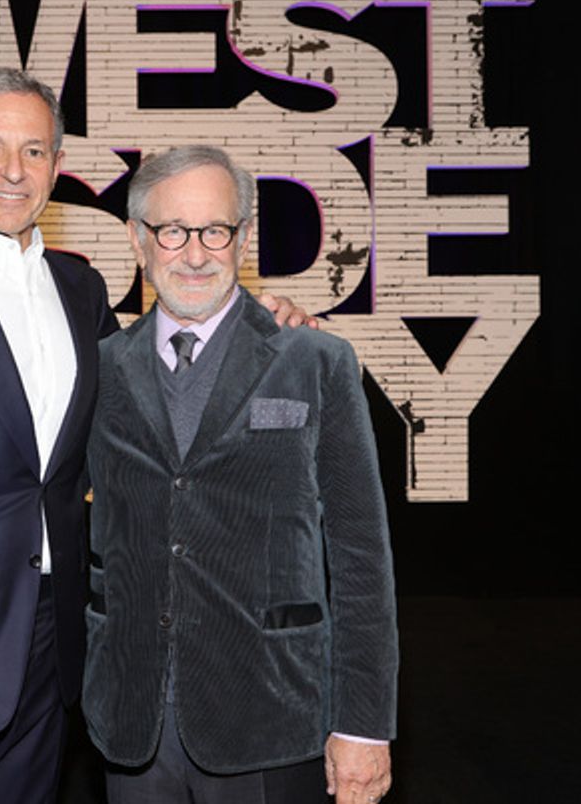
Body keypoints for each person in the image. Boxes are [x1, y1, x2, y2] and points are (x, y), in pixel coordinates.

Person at [0, 70, 309, 803]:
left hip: (54, 658)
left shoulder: (81, 288)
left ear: (55, 164)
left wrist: (260, 325)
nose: (14, 170)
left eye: (35, 150)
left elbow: (155, 390)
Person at [83, 146, 398, 804]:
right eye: (172, 230)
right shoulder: (102, 366)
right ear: (141, 241)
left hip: (271, 716)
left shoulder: (316, 359)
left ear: (243, 238)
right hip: (133, 718)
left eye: (215, 230)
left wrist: (364, 725)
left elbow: (361, 555)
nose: (194, 253)